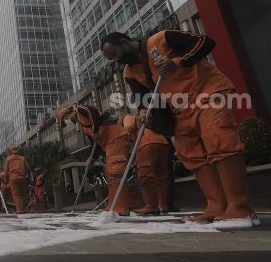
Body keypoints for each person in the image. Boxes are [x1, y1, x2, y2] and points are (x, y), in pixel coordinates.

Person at [100, 31, 258, 225]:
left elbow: (205, 42)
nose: (114, 60)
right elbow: (142, 96)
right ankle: (216, 205)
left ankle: (239, 207)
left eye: (113, 53)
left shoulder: (161, 39)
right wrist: (143, 112)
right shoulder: (129, 72)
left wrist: (176, 63)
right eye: (110, 58)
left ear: (124, 42)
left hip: (207, 91)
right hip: (180, 108)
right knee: (189, 153)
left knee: (219, 138)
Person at [58, 105, 134, 216]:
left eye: (65, 120)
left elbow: (92, 111)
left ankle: (121, 207)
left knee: (116, 172)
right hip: (109, 143)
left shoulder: (80, 110)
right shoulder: (84, 127)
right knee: (110, 173)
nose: (68, 122)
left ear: (67, 114)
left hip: (117, 138)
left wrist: (95, 130)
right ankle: (112, 206)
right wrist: (92, 158)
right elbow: (95, 143)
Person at [122, 114, 170, 215]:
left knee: (146, 175)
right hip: (162, 142)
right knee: (161, 175)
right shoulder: (145, 121)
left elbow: (129, 126)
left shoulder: (127, 118)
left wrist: (126, 132)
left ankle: (151, 206)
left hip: (147, 143)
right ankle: (163, 205)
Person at [4, 145, 30, 214]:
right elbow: (28, 167)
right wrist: (25, 173)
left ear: (10, 151)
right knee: (22, 194)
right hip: (22, 178)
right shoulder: (22, 158)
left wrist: (6, 180)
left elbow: (6, 171)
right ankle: (23, 209)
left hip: (13, 178)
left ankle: (19, 210)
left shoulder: (8, 159)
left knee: (16, 195)